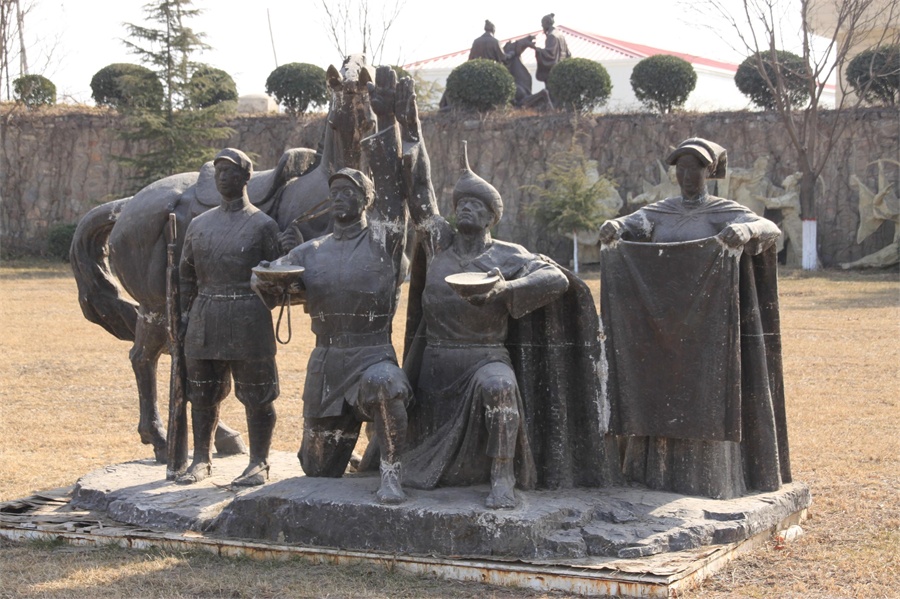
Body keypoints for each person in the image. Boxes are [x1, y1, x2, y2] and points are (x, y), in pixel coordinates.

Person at [598, 137, 791, 499]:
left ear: (709, 172)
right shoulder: (661, 212)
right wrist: (614, 226)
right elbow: (628, 224)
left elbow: (770, 228)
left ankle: (707, 478)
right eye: (681, 168)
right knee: (658, 392)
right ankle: (653, 475)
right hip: (661, 328)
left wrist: (747, 230)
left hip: (709, 329)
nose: (687, 176)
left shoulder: (724, 211)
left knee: (708, 396)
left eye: (695, 168)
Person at [253, 68, 412, 504]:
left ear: (366, 200)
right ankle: (347, 448)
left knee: (387, 388)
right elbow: (273, 283)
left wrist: (387, 123)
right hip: (326, 363)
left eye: (350, 192)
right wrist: (263, 279)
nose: (340, 197)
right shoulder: (311, 251)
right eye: (335, 191)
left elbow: (395, 193)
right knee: (318, 468)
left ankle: (391, 473)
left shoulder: (384, 241)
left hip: (371, 356)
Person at [176, 148, 282, 487]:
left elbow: (278, 278)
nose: (223, 177)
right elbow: (185, 277)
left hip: (249, 319)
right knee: (201, 394)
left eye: (231, 171)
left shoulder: (263, 225)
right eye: (219, 171)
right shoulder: (199, 224)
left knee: (258, 396)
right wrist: (182, 318)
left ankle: (258, 462)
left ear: (246, 177)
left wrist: (270, 278)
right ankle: (200, 459)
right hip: (205, 319)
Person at [533, 13, 571, 83]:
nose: (542, 25)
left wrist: (537, 50)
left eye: (542, 23)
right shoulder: (560, 35)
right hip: (562, 69)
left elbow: (550, 53)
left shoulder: (552, 36)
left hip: (554, 71)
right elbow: (568, 53)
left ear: (547, 23)